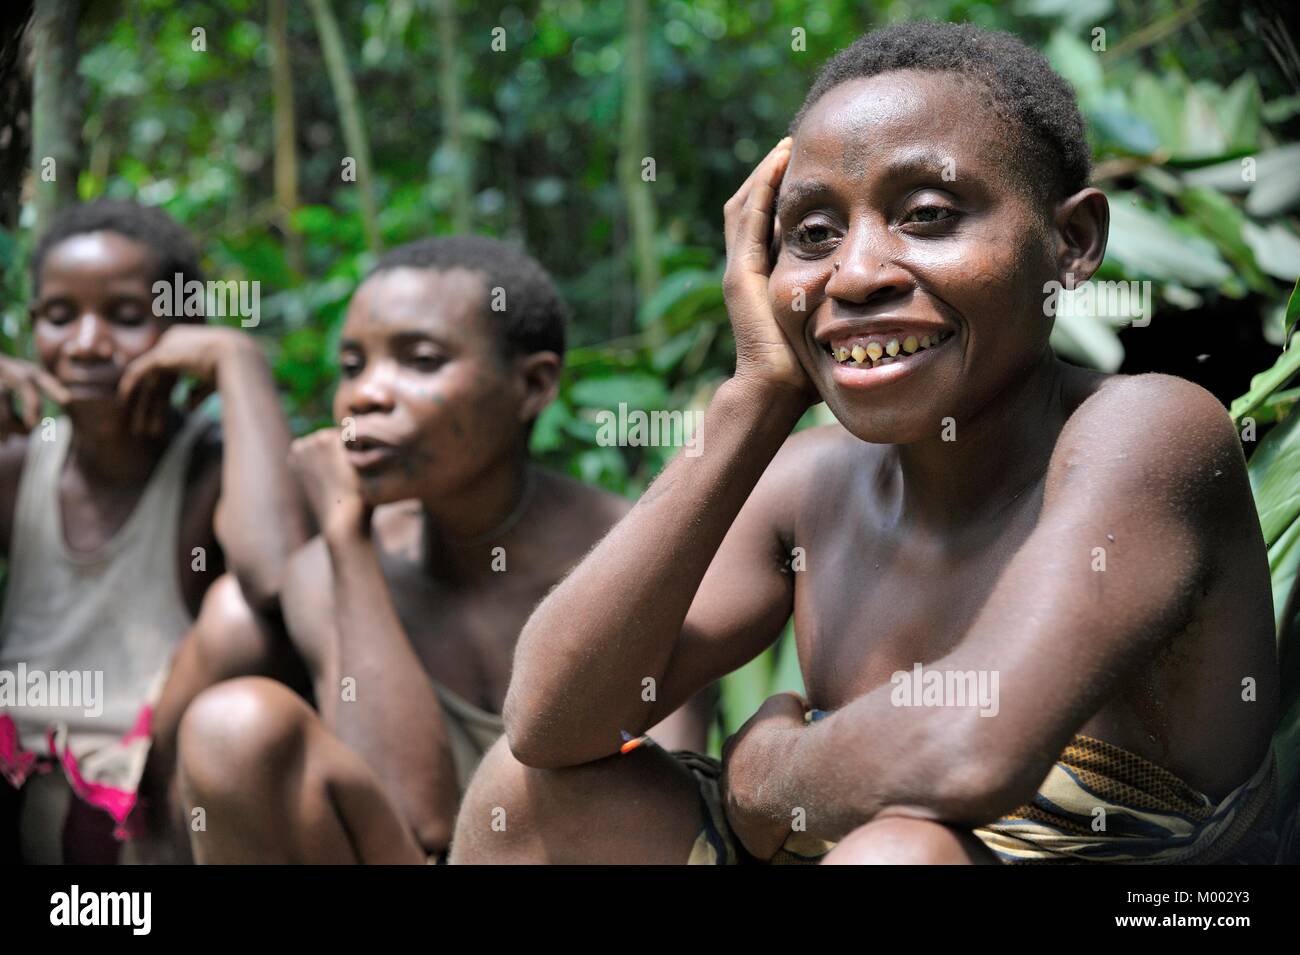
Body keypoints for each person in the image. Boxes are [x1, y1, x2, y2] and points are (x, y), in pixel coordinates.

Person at [449, 22, 1279, 865]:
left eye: (926, 215)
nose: (855, 274)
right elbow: (549, 722)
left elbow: (969, 747)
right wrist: (756, 395)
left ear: (1072, 243)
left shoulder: (1146, 431)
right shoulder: (809, 483)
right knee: (527, 798)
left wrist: (769, 773)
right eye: (812, 234)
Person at [176, 236, 714, 863]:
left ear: (532, 386)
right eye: (353, 366)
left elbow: (669, 811)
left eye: (421, 360)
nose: (366, 395)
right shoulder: (338, 563)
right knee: (232, 724)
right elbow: (418, 820)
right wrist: (347, 543)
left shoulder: (639, 555)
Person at [0, 200, 305, 862]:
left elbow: (279, 573)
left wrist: (237, 359)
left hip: (156, 807)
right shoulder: (20, 467)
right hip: (25, 778)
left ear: (181, 332)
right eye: (60, 316)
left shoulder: (209, 466)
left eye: (127, 316)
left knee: (239, 621)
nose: (86, 343)